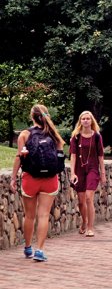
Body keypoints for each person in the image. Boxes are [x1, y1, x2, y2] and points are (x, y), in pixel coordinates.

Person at [10, 104, 65, 262]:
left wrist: (14, 177)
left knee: (30, 216)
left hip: (30, 179)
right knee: (43, 215)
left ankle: (28, 248)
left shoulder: (25, 134)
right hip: (50, 180)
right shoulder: (54, 134)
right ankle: (40, 250)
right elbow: (60, 157)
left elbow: (19, 157)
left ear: (32, 116)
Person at [70, 111, 106, 238]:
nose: (85, 121)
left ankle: (90, 227)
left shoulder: (96, 136)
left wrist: (103, 173)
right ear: (80, 121)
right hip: (79, 169)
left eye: (88, 119)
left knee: (89, 198)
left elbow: (101, 156)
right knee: (81, 201)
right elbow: (73, 156)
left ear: (92, 121)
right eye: (83, 119)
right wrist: (72, 172)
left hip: (93, 169)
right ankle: (84, 221)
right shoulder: (75, 136)